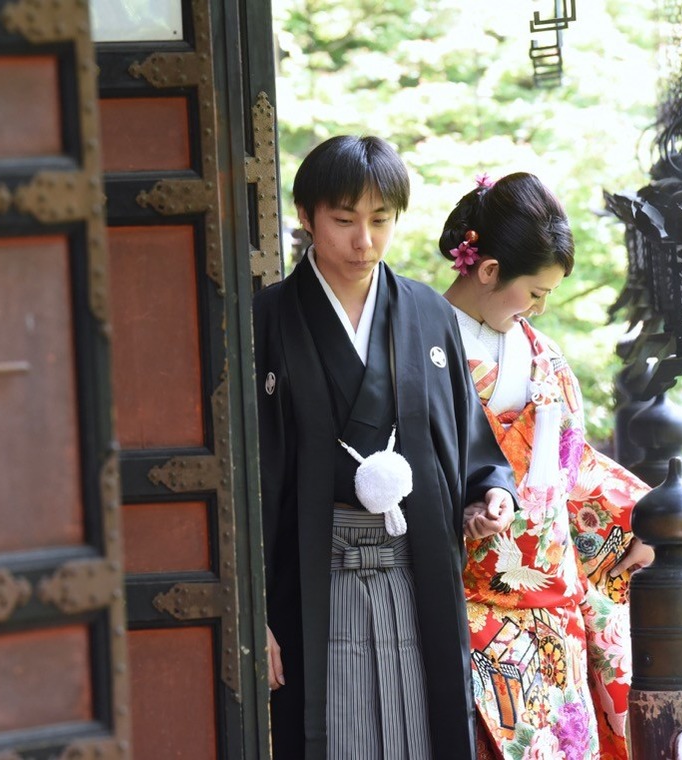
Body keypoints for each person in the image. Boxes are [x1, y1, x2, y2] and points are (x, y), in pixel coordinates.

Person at [252, 135, 521, 760]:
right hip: (312, 576)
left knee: (421, 729)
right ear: (306, 216)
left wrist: (490, 492)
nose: (364, 241)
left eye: (380, 220)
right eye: (344, 221)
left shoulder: (428, 314)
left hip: (413, 569)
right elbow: (244, 475)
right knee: (330, 735)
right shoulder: (266, 319)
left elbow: (469, 437)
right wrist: (252, 612)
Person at [437, 172, 656, 760]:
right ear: (488, 270)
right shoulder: (421, 346)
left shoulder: (543, 355)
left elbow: (570, 467)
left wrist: (643, 516)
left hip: (554, 612)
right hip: (463, 609)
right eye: (535, 292)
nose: (539, 308)